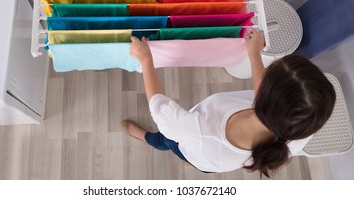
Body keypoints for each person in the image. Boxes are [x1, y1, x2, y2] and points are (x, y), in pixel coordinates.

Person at [123, 29, 336, 177]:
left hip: (198, 155)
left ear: (266, 94)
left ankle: (146, 138)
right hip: (221, 159)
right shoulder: (299, 125)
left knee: (166, 140)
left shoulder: (202, 131)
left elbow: (160, 110)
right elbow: (261, 86)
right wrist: (253, 53)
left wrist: (146, 61)